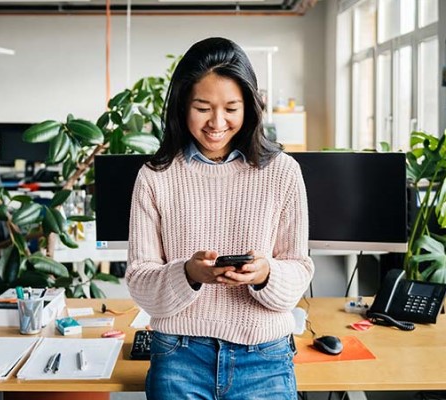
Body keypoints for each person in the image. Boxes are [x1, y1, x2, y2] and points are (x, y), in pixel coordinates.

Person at [126, 37, 315, 400]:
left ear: (249, 107)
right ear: (182, 105)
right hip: (179, 356)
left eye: (231, 108)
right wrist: (188, 274)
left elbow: (299, 269)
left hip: (263, 357)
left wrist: (266, 273)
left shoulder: (283, 172)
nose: (217, 122)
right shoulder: (154, 177)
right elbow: (139, 280)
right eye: (202, 107)